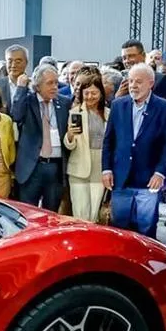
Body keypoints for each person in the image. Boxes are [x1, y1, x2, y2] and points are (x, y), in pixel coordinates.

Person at [102, 63, 166, 238]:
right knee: (119, 228)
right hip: (120, 178)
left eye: (139, 81)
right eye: (130, 81)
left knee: (146, 227)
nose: (133, 85)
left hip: (149, 179)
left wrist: (160, 172)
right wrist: (106, 169)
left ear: (151, 83)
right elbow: (109, 140)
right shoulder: (118, 105)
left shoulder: (165, 108)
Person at [12, 65, 71, 210]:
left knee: (51, 213)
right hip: (32, 167)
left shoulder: (63, 102)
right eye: (50, 83)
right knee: (27, 212)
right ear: (37, 85)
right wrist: (21, 88)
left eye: (56, 83)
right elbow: (16, 115)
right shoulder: (27, 101)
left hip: (56, 167)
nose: (55, 87)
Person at [65, 71, 110, 222]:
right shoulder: (75, 112)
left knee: (94, 214)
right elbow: (69, 145)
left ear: (101, 93)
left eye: (94, 93)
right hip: (79, 169)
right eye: (87, 93)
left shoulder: (109, 114)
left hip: (100, 167)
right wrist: (70, 135)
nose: (90, 97)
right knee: (80, 213)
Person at [0, 45, 31, 111]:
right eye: (10, 61)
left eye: (18, 62)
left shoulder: (33, 86)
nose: (13, 65)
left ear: (26, 63)